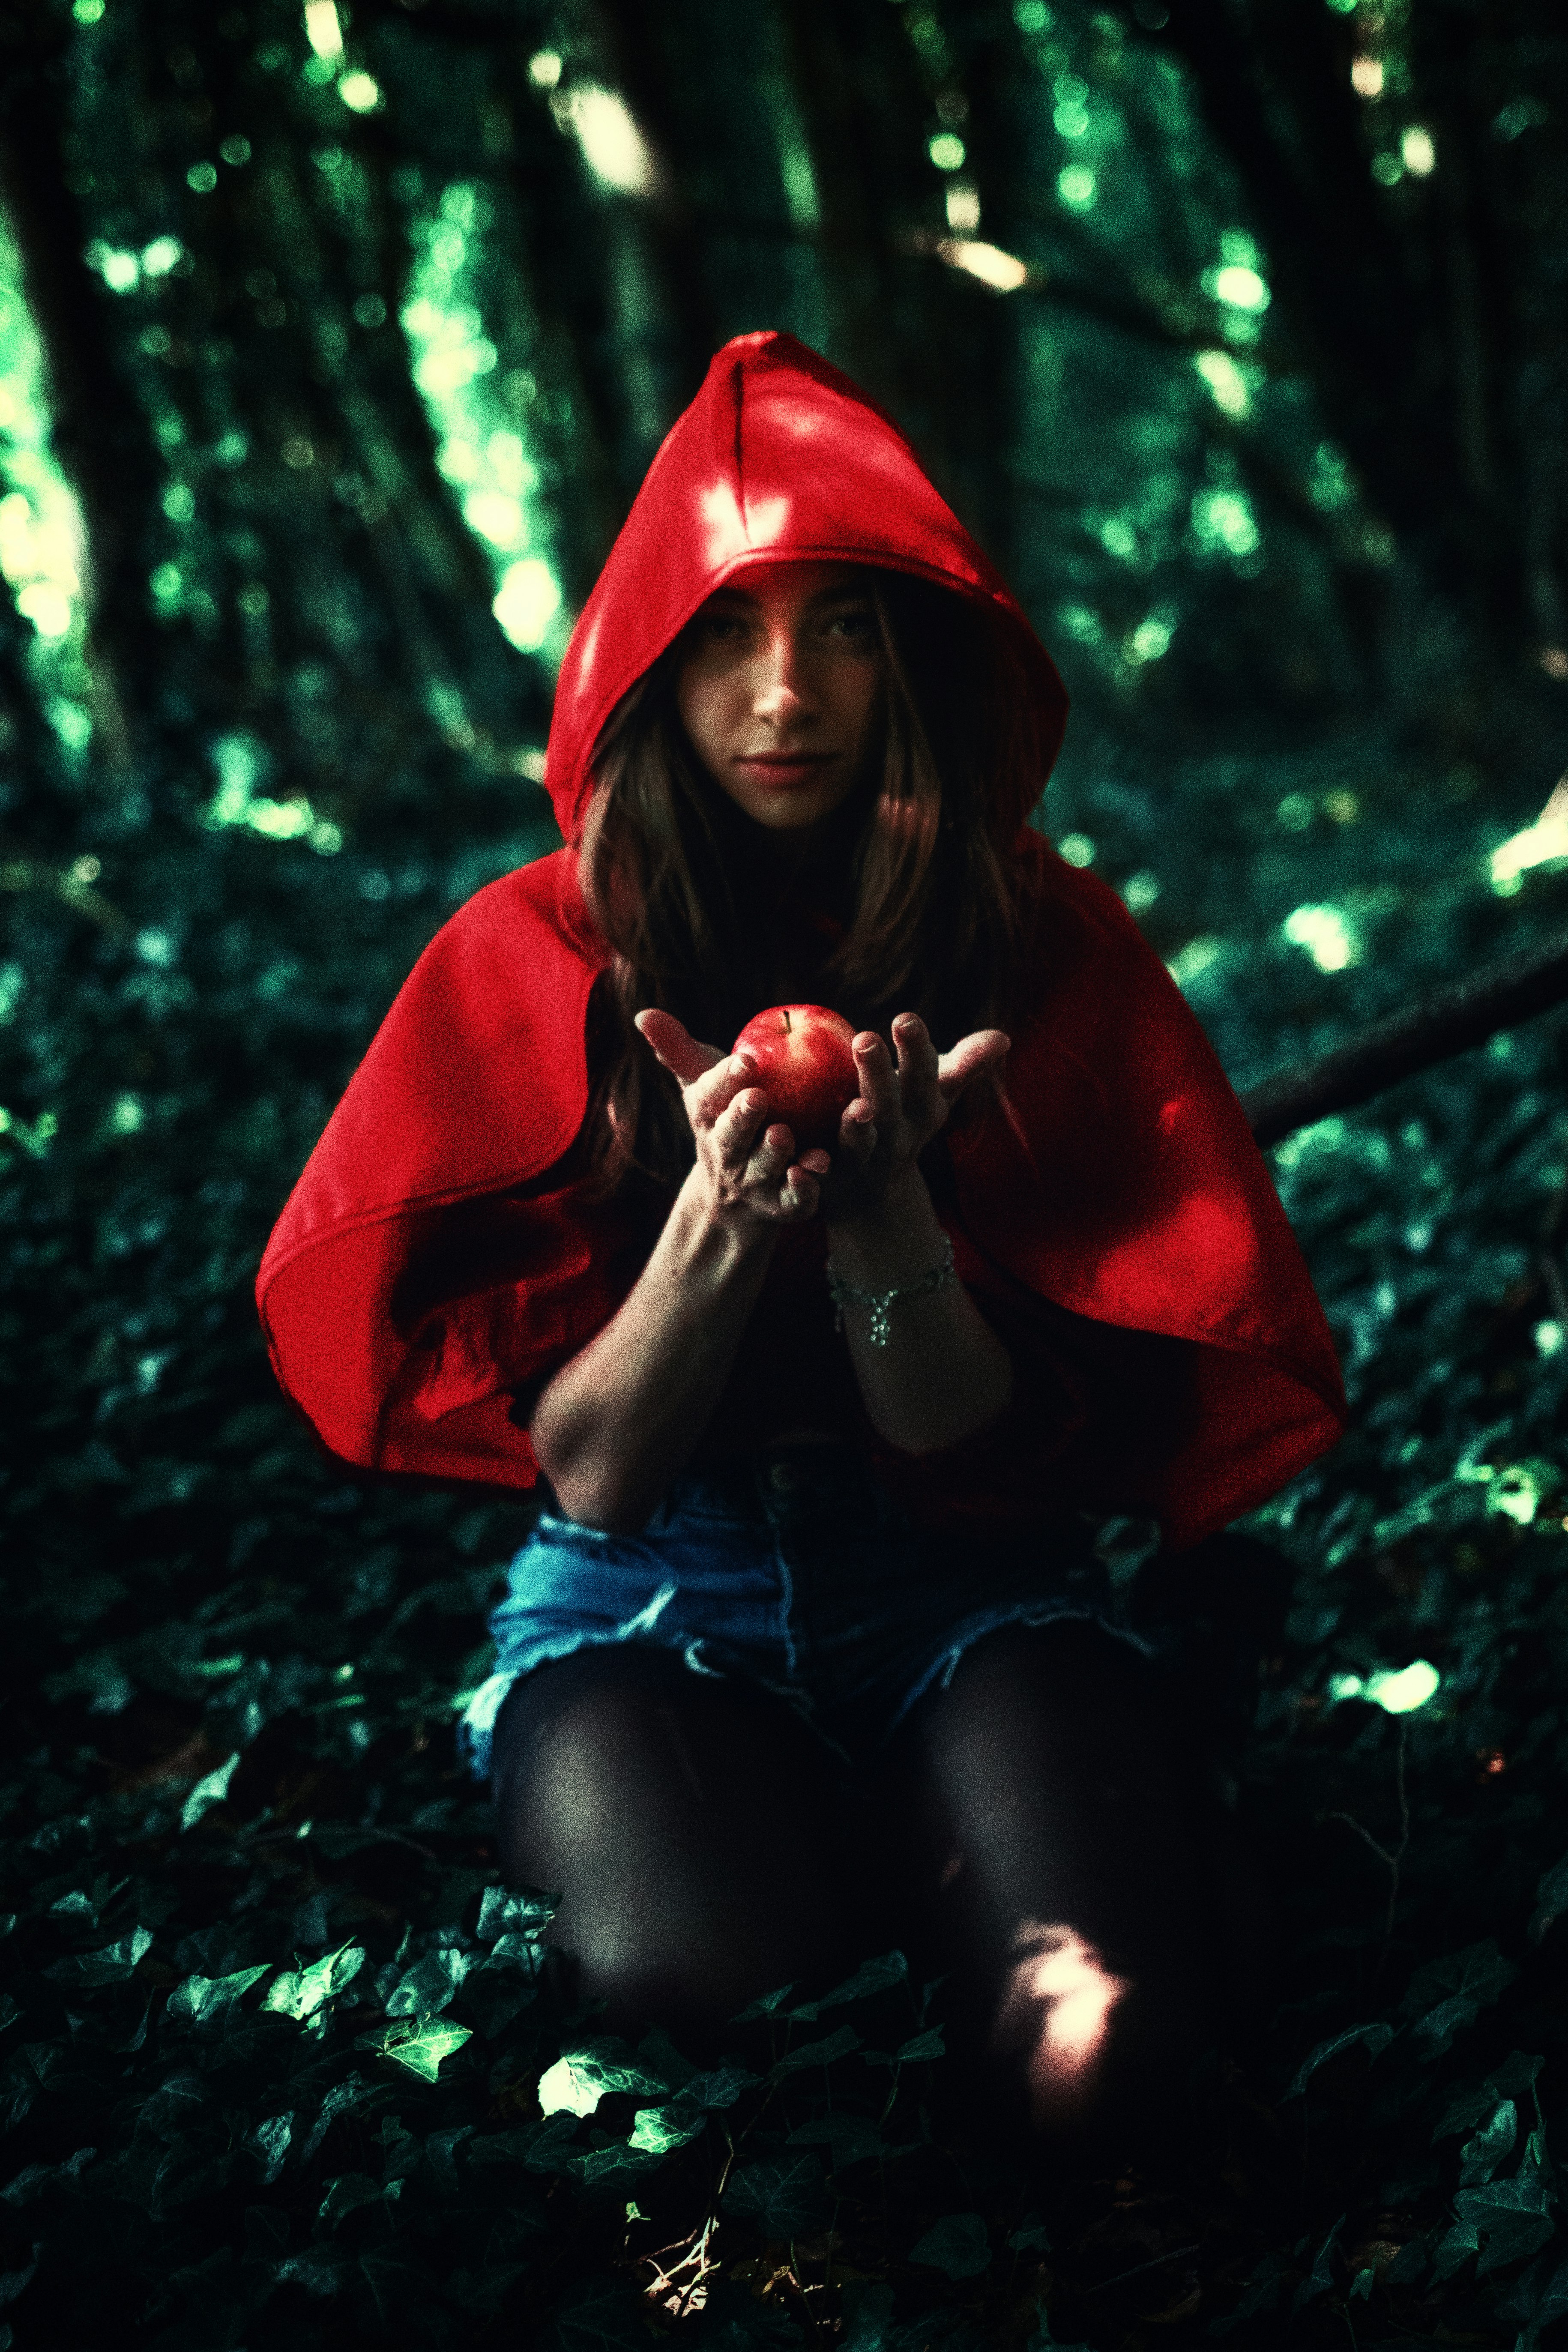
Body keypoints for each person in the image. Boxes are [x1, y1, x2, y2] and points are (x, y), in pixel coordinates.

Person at [257, 332, 1344, 2140]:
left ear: (911, 651)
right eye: (731, 631)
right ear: (646, 662)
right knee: (715, 2012)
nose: (787, 691)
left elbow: (955, 1440)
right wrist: (711, 1228)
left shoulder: (1040, 939)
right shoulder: (534, 953)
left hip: (968, 1576)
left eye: (841, 623)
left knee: (1109, 2058)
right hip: (642, 1603)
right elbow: (592, 1479)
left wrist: (883, 1219)